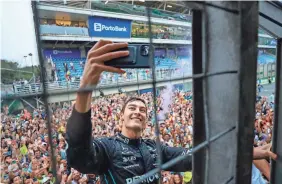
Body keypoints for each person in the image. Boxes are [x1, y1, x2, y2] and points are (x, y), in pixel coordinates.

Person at [66, 40, 192, 184]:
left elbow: (191, 157)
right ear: (121, 118)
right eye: (132, 108)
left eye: (143, 110)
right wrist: (85, 88)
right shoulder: (107, 147)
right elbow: (79, 157)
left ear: (145, 122)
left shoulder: (156, 148)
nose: (138, 111)